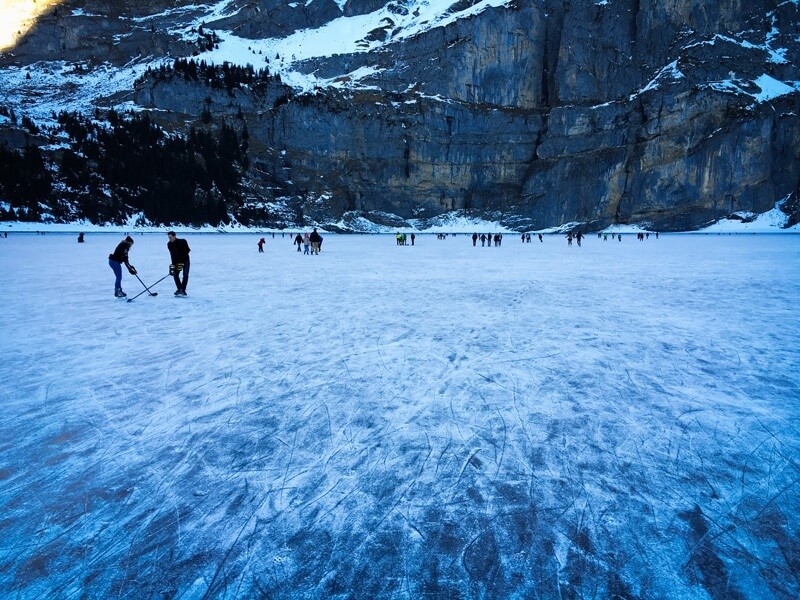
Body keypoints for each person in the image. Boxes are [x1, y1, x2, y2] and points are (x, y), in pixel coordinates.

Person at [167, 231, 191, 296]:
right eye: (169, 237)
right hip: (177, 262)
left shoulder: (182, 241)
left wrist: (182, 261)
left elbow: (188, 250)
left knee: (185, 275)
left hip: (185, 260)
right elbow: (172, 255)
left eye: (171, 237)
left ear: (174, 236)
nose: (170, 239)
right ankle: (179, 289)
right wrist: (173, 266)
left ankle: (183, 290)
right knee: (175, 274)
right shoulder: (169, 244)